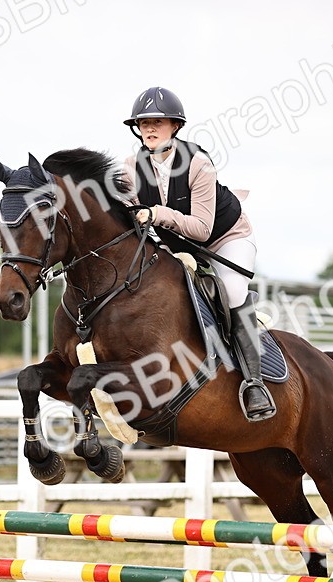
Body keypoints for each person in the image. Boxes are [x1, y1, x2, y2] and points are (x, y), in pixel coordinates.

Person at [121, 86, 275, 422]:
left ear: (174, 126)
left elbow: (202, 230)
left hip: (224, 239)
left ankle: (254, 382)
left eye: (157, 122)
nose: (149, 128)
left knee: (232, 291)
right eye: (144, 122)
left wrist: (157, 214)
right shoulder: (131, 166)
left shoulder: (198, 164)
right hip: (175, 244)